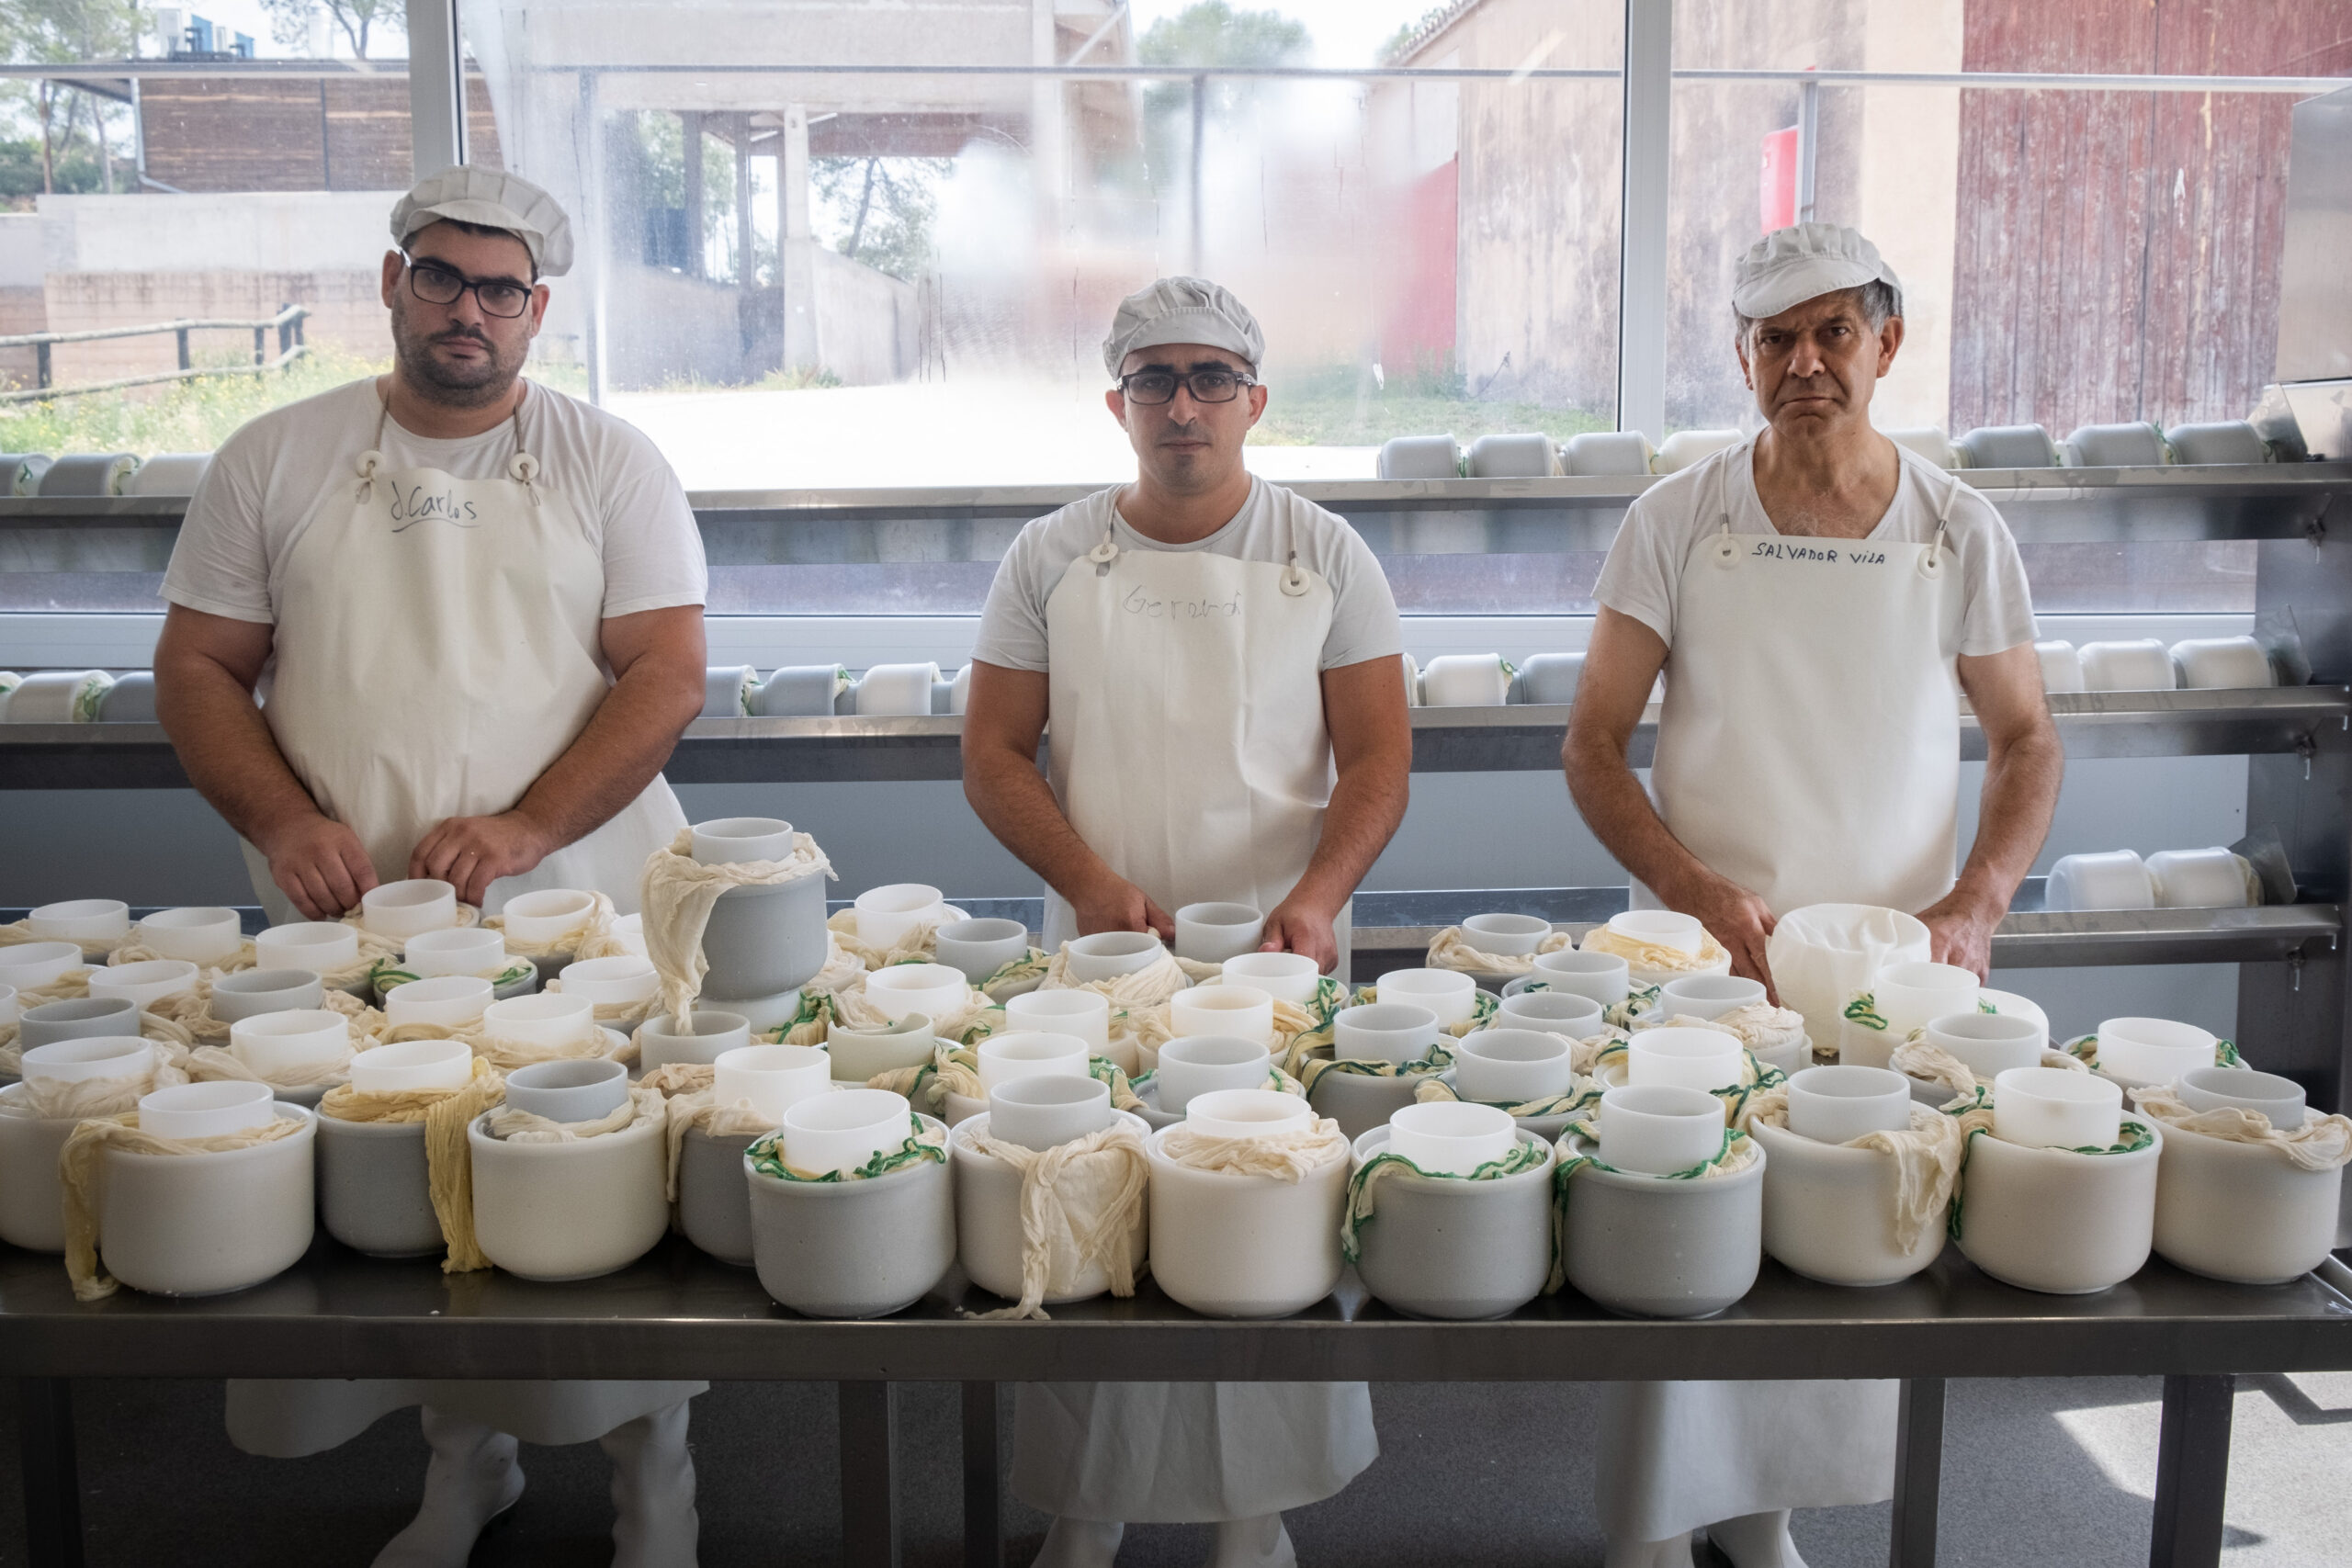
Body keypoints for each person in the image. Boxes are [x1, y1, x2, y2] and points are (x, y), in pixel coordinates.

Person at [153, 165, 710, 1568]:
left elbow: (666, 676)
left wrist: (529, 825)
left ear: (539, 311)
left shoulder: (607, 460)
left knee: (594, 1184)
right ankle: (468, 1465)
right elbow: (201, 669)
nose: (471, 309)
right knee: (407, 1191)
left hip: (571, 904)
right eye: (444, 277)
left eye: (501, 288)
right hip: (363, 918)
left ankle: (658, 1480)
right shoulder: (274, 457)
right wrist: (283, 820)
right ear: (393, 283)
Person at [1561, 222, 2063, 1568]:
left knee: (1841, 1229)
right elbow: (1594, 742)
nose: (1805, 364)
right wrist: (1683, 881)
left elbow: (2026, 740)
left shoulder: (1958, 528)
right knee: (1680, 1215)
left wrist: (1977, 904)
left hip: (1891, 966)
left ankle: (1765, 1514)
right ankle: (1654, 1530)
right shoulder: (1677, 518)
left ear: (1886, 345)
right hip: (1702, 962)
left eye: (1833, 332)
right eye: (1776, 339)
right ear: (1740, 358)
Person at [962, 276, 1411, 1567]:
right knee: (1092, 1217)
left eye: (1212, 377)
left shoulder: (1323, 551)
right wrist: (1095, 886)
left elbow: (1377, 758)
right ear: (1117, 404)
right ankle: (1085, 1510)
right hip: (1098, 964)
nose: (1183, 404)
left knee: (1260, 1217)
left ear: (1254, 400)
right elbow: (994, 751)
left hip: (1274, 967)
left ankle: (1249, 1523)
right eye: (1154, 379)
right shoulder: (1049, 556)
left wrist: (1316, 903)